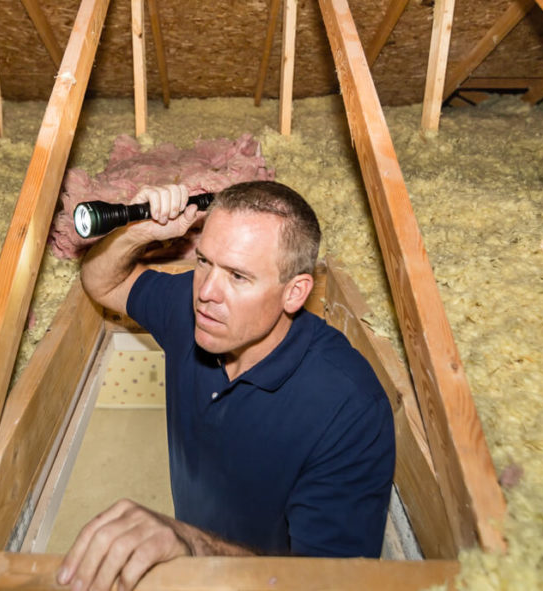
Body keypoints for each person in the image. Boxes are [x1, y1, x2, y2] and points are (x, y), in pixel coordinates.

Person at [57, 181, 395, 591]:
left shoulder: (349, 409)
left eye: (237, 276)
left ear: (295, 292)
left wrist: (193, 546)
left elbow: (333, 584)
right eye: (204, 261)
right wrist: (141, 229)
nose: (206, 293)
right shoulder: (193, 310)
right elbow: (102, 282)